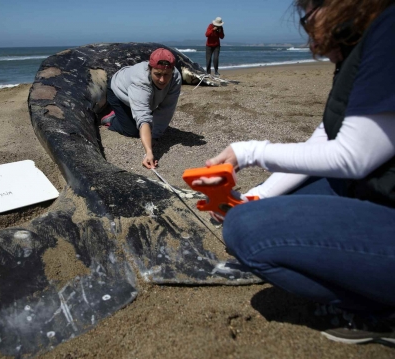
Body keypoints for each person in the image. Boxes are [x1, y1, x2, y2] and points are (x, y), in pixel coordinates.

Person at [193, 0, 395, 345]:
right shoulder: (360, 44)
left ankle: (377, 312)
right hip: (377, 190)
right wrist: (259, 196)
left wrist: (249, 152)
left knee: (247, 231)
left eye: (308, 17)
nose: (311, 34)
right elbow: (326, 136)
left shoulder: (389, 32)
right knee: (261, 210)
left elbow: (353, 157)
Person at [101, 48, 182, 169]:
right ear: (150, 69)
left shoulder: (176, 78)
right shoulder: (140, 80)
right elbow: (143, 117)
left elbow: (166, 109)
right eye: (158, 74)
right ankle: (111, 118)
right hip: (119, 92)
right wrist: (149, 153)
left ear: (172, 71)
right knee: (133, 131)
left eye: (166, 75)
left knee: (150, 128)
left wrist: (155, 135)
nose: (162, 80)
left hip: (146, 98)